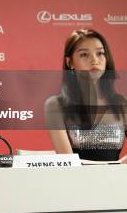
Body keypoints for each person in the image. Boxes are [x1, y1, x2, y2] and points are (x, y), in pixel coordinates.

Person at [45, 29, 127, 162]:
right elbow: (67, 162)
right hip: (75, 180)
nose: (94, 60)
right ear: (69, 62)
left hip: (116, 180)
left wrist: (117, 168)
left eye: (100, 53)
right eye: (84, 55)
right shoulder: (55, 105)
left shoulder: (123, 104)